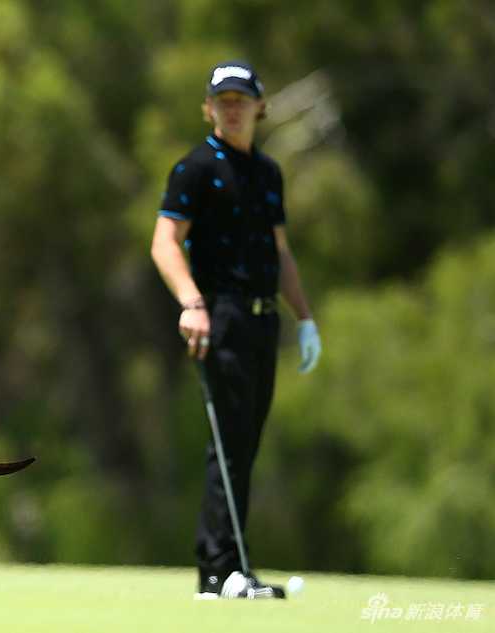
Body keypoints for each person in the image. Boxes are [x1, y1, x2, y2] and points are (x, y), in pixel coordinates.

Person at [150, 61, 321, 599]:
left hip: (263, 319)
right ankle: (218, 572)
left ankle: (234, 569)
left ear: (259, 107)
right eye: (221, 99)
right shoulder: (195, 168)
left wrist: (306, 316)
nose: (231, 106)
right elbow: (164, 243)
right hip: (218, 316)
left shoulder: (268, 174)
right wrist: (192, 303)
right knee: (225, 442)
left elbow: (281, 253)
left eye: (240, 98)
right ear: (208, 108)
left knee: (245, 444)